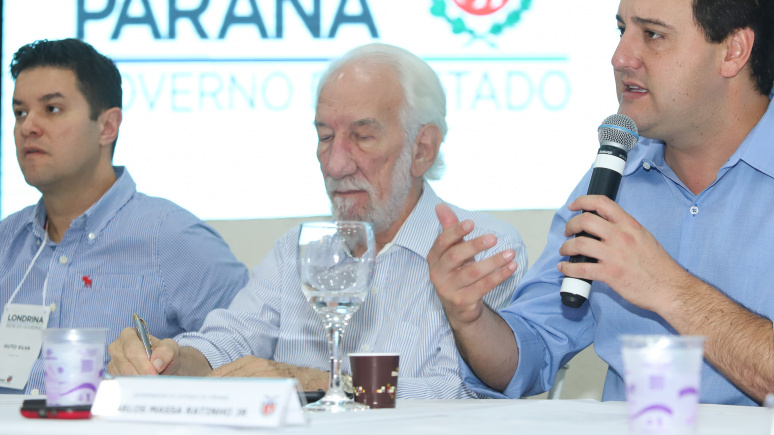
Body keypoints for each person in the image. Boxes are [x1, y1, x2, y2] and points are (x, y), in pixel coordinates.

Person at [427, 0, 774, 406]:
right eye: (622, 30)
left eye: (653, 35)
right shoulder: (615, 178)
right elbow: (530, 356)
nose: (620, 57)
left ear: (734, 51)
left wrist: (667, 287)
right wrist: (470, 318)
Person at [107, 43, 527, 398]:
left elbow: (458, 393)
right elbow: (230, 340)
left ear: (422, 149)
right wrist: (173, 360)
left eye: (362, 137)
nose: (336, 162)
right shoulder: (299, 249)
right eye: (325, 136)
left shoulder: (479, 249)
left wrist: (319, 383)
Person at [0, 38, 248, 396]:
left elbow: (255, 349)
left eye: (51, 109)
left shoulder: (173, 238)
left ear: (107, 127)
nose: (28, 127)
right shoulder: (7, 243)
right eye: (20, 112)